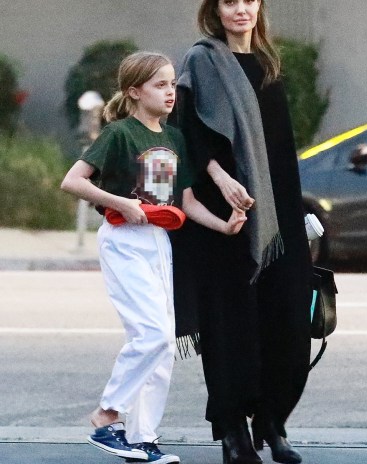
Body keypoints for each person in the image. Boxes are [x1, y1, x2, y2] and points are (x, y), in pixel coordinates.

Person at [61, 51, 247, 464]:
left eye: (171, 85)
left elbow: (184, 201)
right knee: (152, 335)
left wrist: (223, 225)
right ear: (134, 92)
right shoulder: (120, 134)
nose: (169, 92)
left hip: (159, 242)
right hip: (124, 240)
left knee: (162, 345)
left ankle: (142, 438)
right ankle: (107, 415)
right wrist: (121, 204)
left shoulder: (174, 138)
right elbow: (73, 181)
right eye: (159, 85)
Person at [169, 0, 313, 463]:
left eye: (248, 0)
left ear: (259, 7)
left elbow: (281, 150)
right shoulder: (201, 61)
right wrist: (221, 177)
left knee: (285, 320)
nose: (241, 9)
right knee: (230, 324)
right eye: (230, 1)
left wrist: (296, 215)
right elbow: (188, 132)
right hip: (222, 214)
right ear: (215, 9)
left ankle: (272, 424)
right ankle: (232, 430)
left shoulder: (270, 66)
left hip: (277, 213)